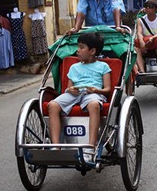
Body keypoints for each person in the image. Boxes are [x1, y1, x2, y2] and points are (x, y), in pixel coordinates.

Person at [48, 32, 111, 161]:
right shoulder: (74, 67)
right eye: (78, 47)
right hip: (74, 94)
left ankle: (90, 147)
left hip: (93, 94)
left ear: (92, 51)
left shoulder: (103, 66)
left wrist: (96, 90)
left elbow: (108, 89)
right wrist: (70, 89)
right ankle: (56, 147)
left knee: (94, 105)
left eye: (82, 47)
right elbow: (68, 88)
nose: (78, 51)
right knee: (52, 105)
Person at [134, 0, 157, 73]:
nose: (148, 8)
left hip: (156, 42)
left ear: (156, 8)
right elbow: (139, 33)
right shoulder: (140, 20)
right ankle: (142, 71)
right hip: (145, 43)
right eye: (146, 6)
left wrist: (153, 37)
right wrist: (141, 42)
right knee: (136, 50)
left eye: (150, 6)